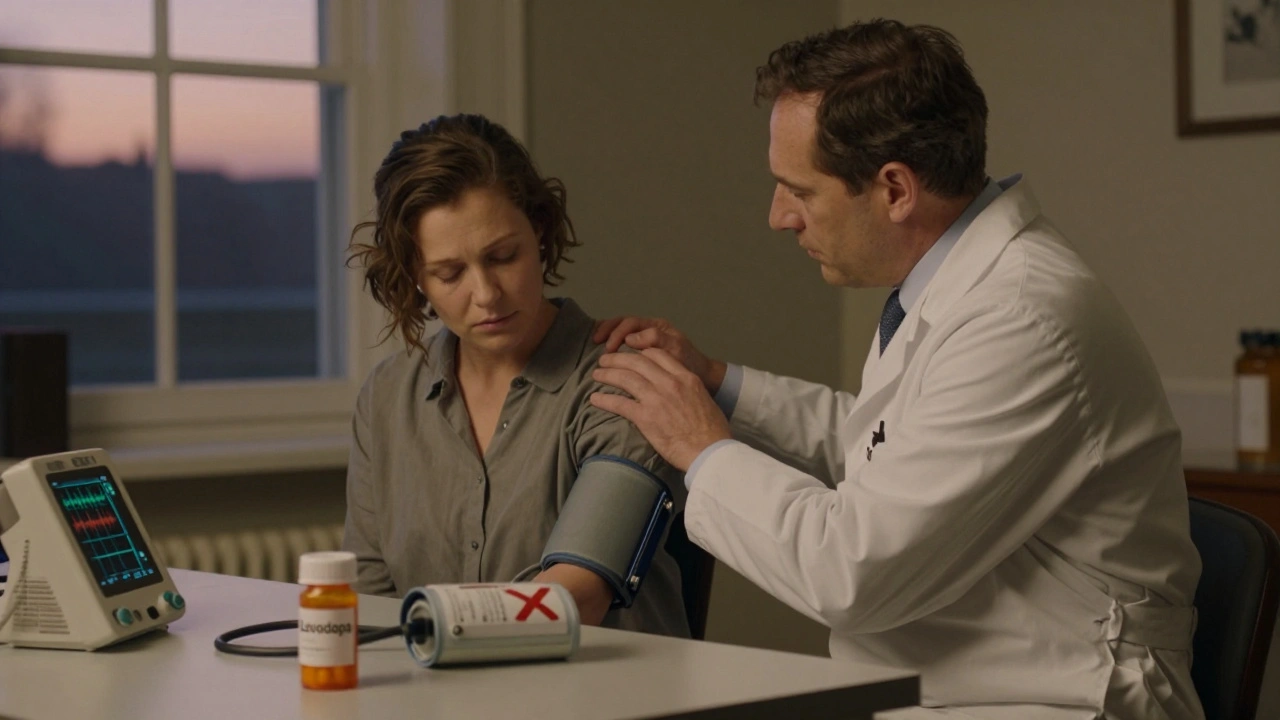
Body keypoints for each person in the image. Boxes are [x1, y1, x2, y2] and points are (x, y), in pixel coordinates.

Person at [589, 19, 1204, 720]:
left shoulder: (1020, 316)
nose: (778, 217)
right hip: (951, 690)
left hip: (1055, 698)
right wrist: (718, 382)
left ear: (895, 190)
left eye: (800, 190)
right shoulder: (947, 286)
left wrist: (703, 450)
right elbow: (886, 449)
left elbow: (853, 572)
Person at [342, 113, 689, 638]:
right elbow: (370, 603)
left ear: (541, 233)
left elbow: (577, 596)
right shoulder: (387, 398)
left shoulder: (623, 382)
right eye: (449, 273)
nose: (485, 294)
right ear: (415, 278)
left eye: (503, 257)